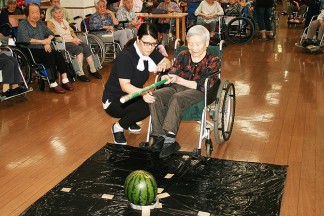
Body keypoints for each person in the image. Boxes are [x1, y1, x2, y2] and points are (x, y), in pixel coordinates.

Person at [146, 25, 221, 158]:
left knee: (177, 98)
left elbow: (205, 86)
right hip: (177, 87)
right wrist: (167, 77)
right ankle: (159, 136)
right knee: (155, 95)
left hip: (198, 91)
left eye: (198, 44)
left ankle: (170, 140)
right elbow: (173, 72)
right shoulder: (183, 55)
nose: (193, 48)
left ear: (207, 43)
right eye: (190, 44)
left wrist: (179, 80)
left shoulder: (213, 60)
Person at [102, 23, 171, 145]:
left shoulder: (149, 49)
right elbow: (125, 86)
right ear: (138, 39)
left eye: (153, 44)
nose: (150, 48)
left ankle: (130, 120)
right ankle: (118, 127)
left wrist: (163, 64)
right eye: (146, 43)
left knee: (154, 100)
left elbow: (167, 61)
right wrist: (143, 93)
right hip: (115, 100)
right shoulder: (126, 57)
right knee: (148, 105)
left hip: (133, 96)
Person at [17, 2, 74, 93]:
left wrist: (48, 41)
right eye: (33, 13)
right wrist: (43, 42)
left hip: (43, 47)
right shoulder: (23, 24)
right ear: (27, 13)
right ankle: (52, 83)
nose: (36, 15)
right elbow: (26, 39)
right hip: (30, 50)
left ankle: (64, 80)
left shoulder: (40, 23)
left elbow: (51, 33)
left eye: (37, 12)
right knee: (49, 57)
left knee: (58, 55)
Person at [47, 5, 102, 81]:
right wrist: (72, 40)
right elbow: (55, 36)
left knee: (85, 46)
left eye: (60, 12)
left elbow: (72, 32)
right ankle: (80, 72)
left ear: (63, 13)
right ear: (52, 14)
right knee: (79, 49)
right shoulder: (51, 23)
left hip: (71, 40)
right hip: (61, 43)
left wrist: (76, 38)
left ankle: (92, 69)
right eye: (56, 13)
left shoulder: (65, 21)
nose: (59, 15)